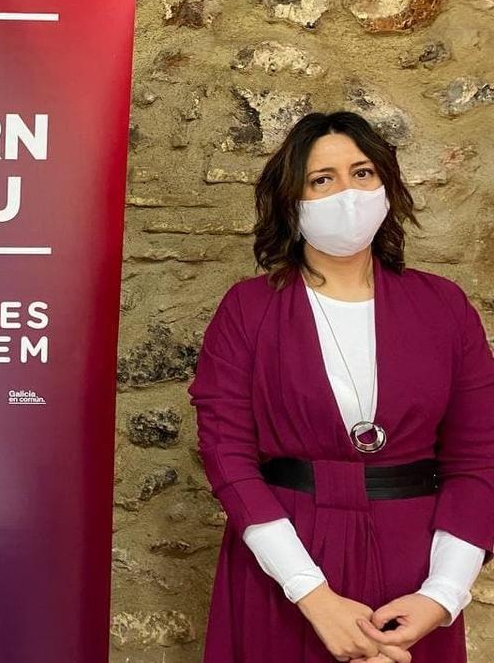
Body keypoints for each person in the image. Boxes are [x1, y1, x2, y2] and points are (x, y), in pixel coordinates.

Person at [189, 111, 494, 662]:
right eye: (321, 179)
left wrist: (441, 596)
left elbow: (479, 459)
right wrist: (313, 594)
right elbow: (227, 456)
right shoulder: (248, 310)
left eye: (362, 173)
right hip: (287, 562)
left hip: (416, 566)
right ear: (291, 201)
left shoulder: (444, 307)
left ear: (387, 186)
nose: (347, 193)